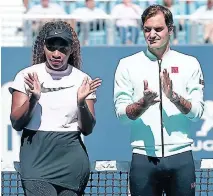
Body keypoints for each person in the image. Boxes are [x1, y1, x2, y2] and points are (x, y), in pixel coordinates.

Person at [114, 5, 204, 196]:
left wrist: (174, 98)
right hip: (143, 158)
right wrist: (143, 104)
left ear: (170, 30)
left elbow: (197, 113)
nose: (152, 34)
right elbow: (121, 116)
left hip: (181, 158)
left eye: (158, 29)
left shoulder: (190, 63)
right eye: (147, 29)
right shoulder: (127, 65)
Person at [9, 21, 102, 196]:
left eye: (63, 48)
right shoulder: (26, 76)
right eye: (51, 47)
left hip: (71, 160)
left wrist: (81, 102)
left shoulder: (82, 80)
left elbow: (87, 129)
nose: (56, 54)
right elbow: (16, 122)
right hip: (36, 158)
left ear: (71, 49)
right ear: (44, 47)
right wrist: (33, 99)